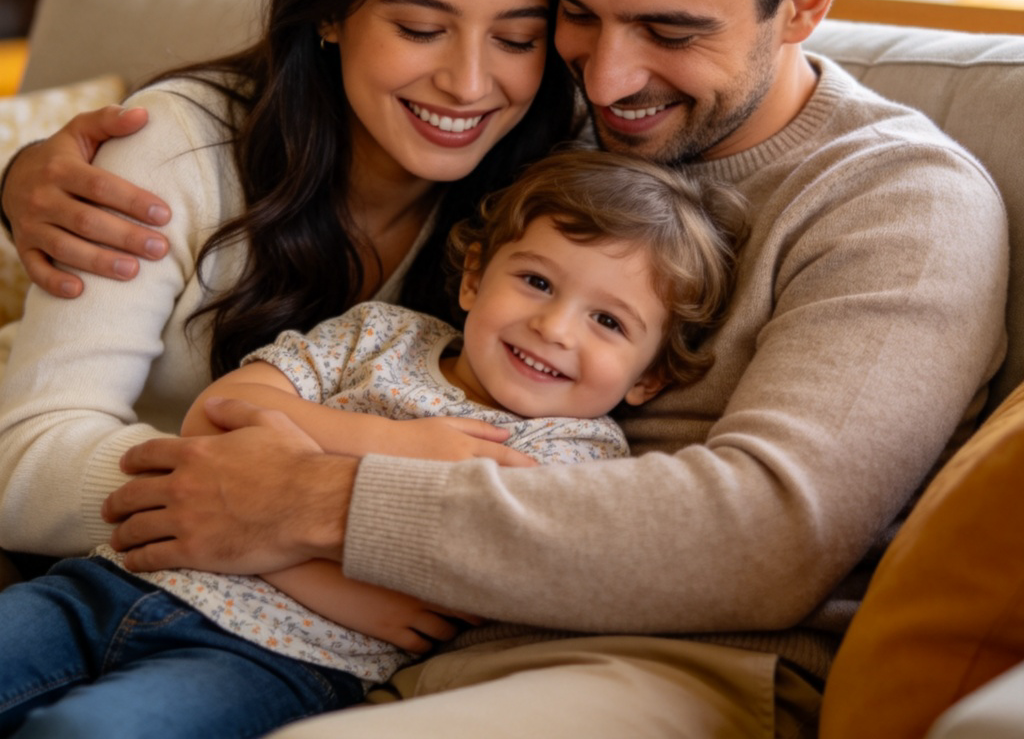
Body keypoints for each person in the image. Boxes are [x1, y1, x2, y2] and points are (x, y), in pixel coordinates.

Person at [1, 0, 1010, 739]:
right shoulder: (537, 122)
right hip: (353, 638)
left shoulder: (903, 206)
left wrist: (318, 499)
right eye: (575, 16)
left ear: (805, 2)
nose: (609, 79)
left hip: (661, 662)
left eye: (669, 30)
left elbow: (767, 535)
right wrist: (20, 180)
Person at [0, 0, 580, 565]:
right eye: (419, 28)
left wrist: (301, 513)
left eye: (516, 38)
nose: (469, 84)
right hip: (92, 572)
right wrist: (265, 497)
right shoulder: (173, 148)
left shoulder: (550, 195)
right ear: (332, 11)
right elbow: (22, 467)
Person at [0, 150, 745, 738]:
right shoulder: (380, 333)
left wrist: (262, 539)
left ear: (650, 379)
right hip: (115, 581)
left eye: (608, 323)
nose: (554, 328)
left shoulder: (572, 454)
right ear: (475, 277)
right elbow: (221, 408)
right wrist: (402, 445)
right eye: (537, 282)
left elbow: (437, 598)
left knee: (83, 731)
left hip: (272, 659)